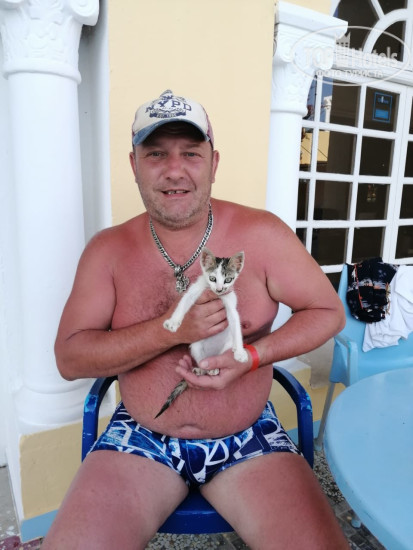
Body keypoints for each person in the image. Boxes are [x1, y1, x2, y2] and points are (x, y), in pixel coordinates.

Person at [43, 89, 348, 549]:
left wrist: (251, 356)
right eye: (155, 154)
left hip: (249, 436)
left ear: (213, 163)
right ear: (133, 165)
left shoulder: (263, 234)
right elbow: (70, 358)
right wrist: (169, 331)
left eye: (190, 153)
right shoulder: (108, 250)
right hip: (140, 435)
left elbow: (328, 312)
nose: (174, 170)